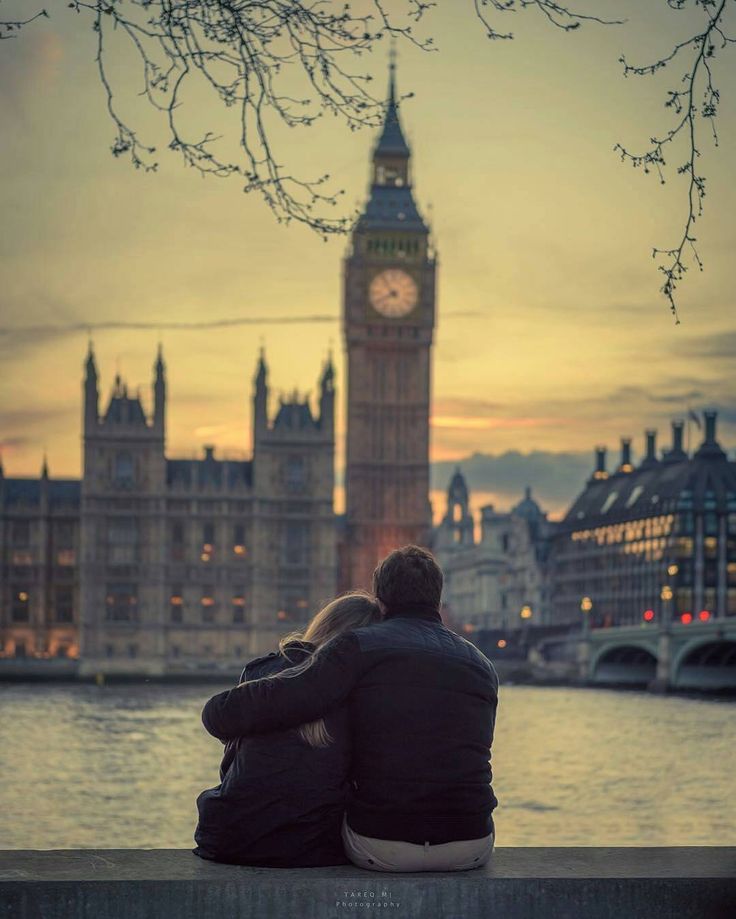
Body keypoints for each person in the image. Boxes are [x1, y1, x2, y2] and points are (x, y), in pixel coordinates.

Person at [201, 545, 499, 873]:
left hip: (384, 845)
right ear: (438, 600)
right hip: (472, 843)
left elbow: (290, 698)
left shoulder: (361, 645)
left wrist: (218, 711)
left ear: (381, 602)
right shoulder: (481, 664)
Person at [193, 590, 382, 867]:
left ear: (323, 623)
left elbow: (230, 762)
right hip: (307, 846)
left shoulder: (260, 671)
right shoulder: (359, 693)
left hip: (226, 837)